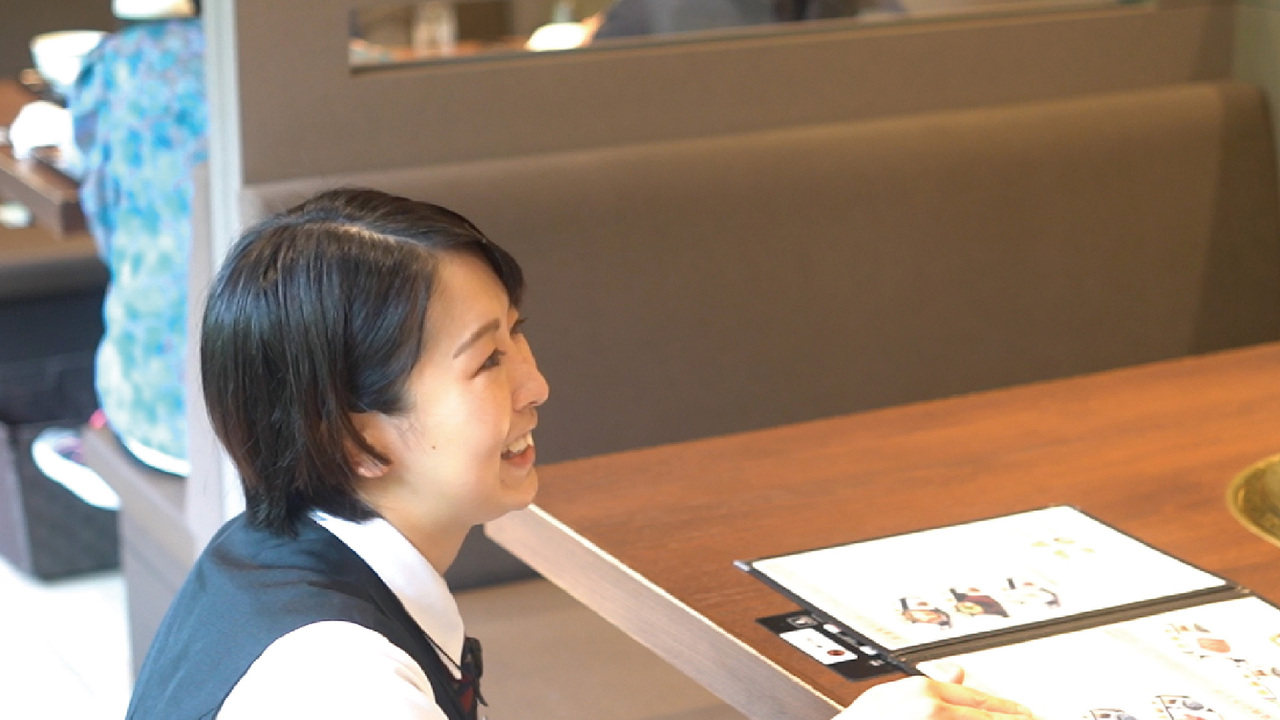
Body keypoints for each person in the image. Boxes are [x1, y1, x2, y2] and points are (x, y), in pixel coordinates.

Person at [124, 188, 1034, 719]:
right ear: (357, 434)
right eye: (487, 361)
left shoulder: (270, 551)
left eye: (516, 336)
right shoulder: (340, 684)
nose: (537, 385)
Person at [68, 0, 207, 476]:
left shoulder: (122, 63)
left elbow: (107, 224)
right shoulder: (316, 57)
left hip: (157, 415)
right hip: (305, 431)